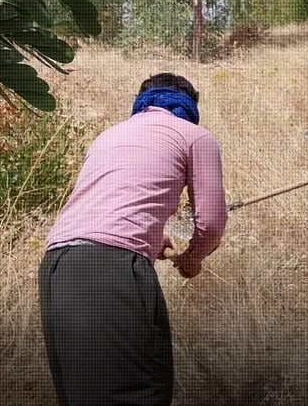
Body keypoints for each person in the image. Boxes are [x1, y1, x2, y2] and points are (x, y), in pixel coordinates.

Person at [39, 73, 227, 405]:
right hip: (112, 270)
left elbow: (108, 210)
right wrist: (191, 259)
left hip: (57, 265)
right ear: (189, 106)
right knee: (136, 393)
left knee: (85, 395)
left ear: (142, 102)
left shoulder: (108, 136)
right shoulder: (195, 136)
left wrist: (151, 241)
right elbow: (211, 223)